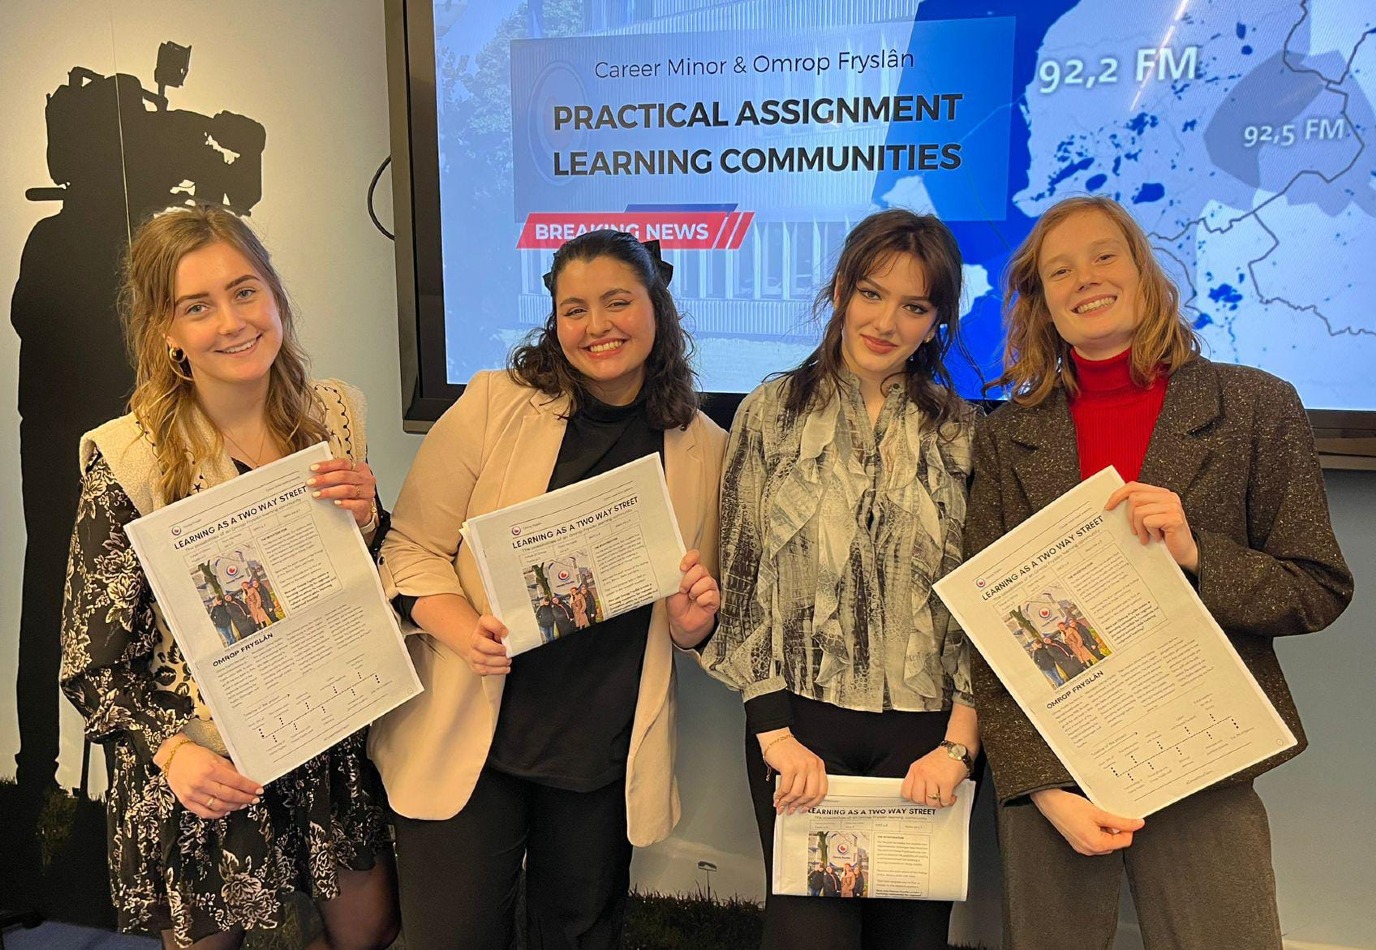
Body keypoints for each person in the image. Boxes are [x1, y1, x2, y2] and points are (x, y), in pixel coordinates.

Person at [968, 194, 1353, 949]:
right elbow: (986, 627)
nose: (1086, 279)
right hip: (1061, 768)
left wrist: (1199, 556)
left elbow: (1317, 587)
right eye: (1060, 270)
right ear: (1042, 301)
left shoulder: (1256, 407)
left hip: (1203, 758)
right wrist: (1042, 785)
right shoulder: (1007, 436)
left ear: (1143, 270)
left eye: (1104, 255)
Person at [368, 229, 726, 950]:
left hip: (599, 751)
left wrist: (692, 623)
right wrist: (462, 626)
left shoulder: (704, 447)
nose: (598, 327)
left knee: (578, 935)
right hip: (474, 733)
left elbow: (692, 626)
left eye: (618, 302)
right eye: (575, 309)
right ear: (554, 321)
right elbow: (409, 550)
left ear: (657, 307)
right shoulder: (495, 405)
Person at [59, 205, 398, 949]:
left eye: (245, 291)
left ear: (274, 295)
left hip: (326, 736)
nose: (233, 320)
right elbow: (90, 665)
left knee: (368, 931)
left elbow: (375, 582)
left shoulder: (331, 415)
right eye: (197, 306)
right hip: (208, 762)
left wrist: (369, 517)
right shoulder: (132, 462)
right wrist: (174, 753)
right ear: (166, 332)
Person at [703, 210, 980, 950]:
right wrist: (773, 732)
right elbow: (742, 578)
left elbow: (980, 602)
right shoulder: (770, 413)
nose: (887, 321)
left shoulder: (961, 431)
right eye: (871, 293)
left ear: (937, 321)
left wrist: (959, 744)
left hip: (925, 739)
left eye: (915, 306)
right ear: (841, 292)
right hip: (801, 728)